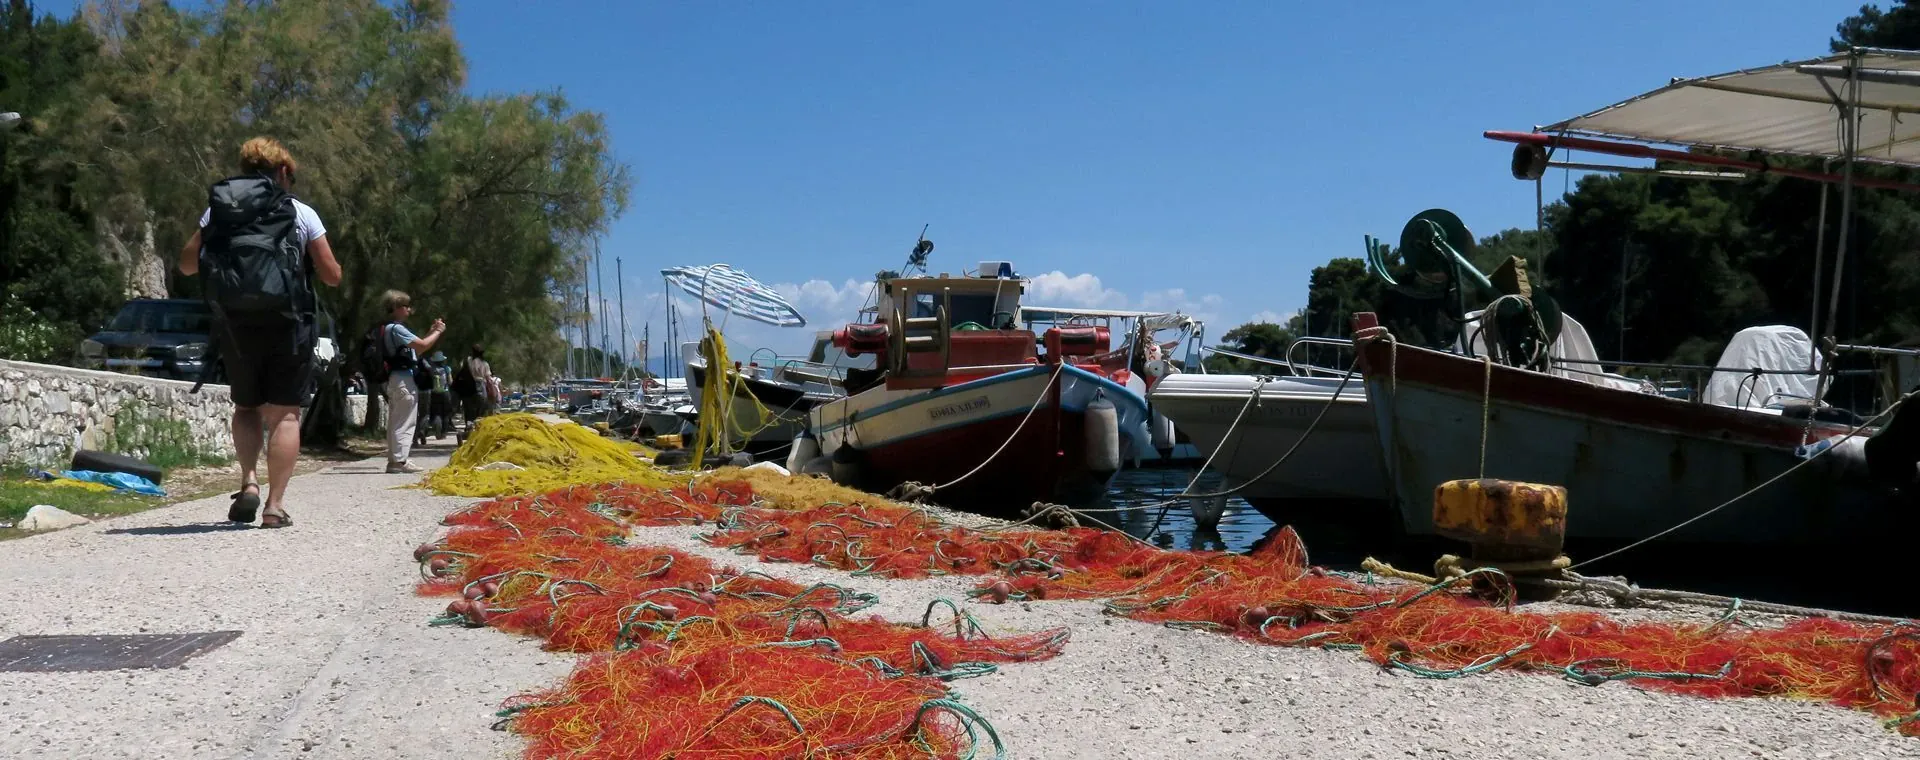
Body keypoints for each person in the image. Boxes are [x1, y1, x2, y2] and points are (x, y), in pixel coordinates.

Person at [177, 136, 342, 529]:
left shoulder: (216, 213)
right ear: (283, 171)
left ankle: (248, 482)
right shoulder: (300, 213)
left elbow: (185, 265)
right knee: (285, 414)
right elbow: (333, 276)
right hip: (287, 322)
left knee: (246, 406)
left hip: (235, 324)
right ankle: (274, 505)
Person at [376, 290, 445, 472]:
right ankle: (400, 461)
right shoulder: (397, 329)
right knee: (405, 421)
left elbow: (417, 350)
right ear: (397, 308)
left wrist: (430, 332)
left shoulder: (387, 328)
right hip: (404, 379)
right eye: (406, 306)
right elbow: (422, 346)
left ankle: (395, 459)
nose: (409, 310)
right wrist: (438, 331)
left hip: (395, 378)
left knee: (396, 420)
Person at [457, 344, 495, 430]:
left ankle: (469, 425)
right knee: (481, 409)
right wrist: (493, 391)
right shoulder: (484, 364)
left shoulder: (466, 362)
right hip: (480, 386)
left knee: (468, 408)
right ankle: (478, 427)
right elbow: (488, 379)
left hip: (467, 386)